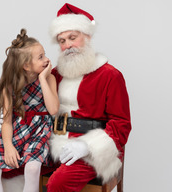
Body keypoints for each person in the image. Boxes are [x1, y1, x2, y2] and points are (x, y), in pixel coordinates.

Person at [43, 3, 132, 191]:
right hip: (54, 142)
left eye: (72, 38)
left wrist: (86, 147)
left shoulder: (110, 75)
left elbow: (121, 125)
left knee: (57, 184)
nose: (67, 46)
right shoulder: (56, 74)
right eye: (62, 41)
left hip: (91, 149)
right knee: (12, 169)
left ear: (87, 37)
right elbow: (40, 107)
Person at [0, 28, 59, 192]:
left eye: (44, 54)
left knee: (32, 168)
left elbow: (53, 110)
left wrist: (42, 79)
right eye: (40, 57)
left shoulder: (49, 78)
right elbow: (7, 121)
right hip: (17, 129)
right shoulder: (9, 87)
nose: (46, 60)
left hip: (40, 131)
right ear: (26, 65)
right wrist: (8, 145)